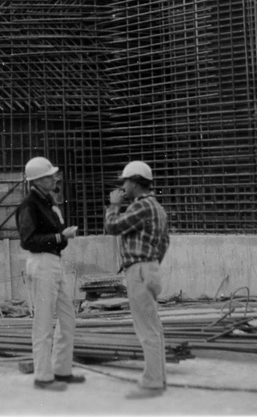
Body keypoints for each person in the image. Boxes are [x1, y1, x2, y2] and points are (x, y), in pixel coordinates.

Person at [16, 156, 85, 391]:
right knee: (44, 323)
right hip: (42, 263)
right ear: (37, 180)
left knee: (68, 318)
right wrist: (60, 237)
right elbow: (28, 241)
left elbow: (58, 240)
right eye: (49, 176)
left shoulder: (48, 202)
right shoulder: (29, 205)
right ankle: (43, 377)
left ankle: (61, 370)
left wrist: (61, 238)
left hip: (54, 263)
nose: (54, 178)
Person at [104, 160, 170, 399]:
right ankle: (158, 377)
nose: (123, 187)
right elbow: (164, 242)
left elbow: (112, 226)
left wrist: (113, 206)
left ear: (134, 183)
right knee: (154, 326)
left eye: (125, 182)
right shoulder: (157, 208)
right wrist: (151, 263)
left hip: (139, 270)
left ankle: (152, 382)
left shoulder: (140, 207)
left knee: (146, 328)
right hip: (150, 268)